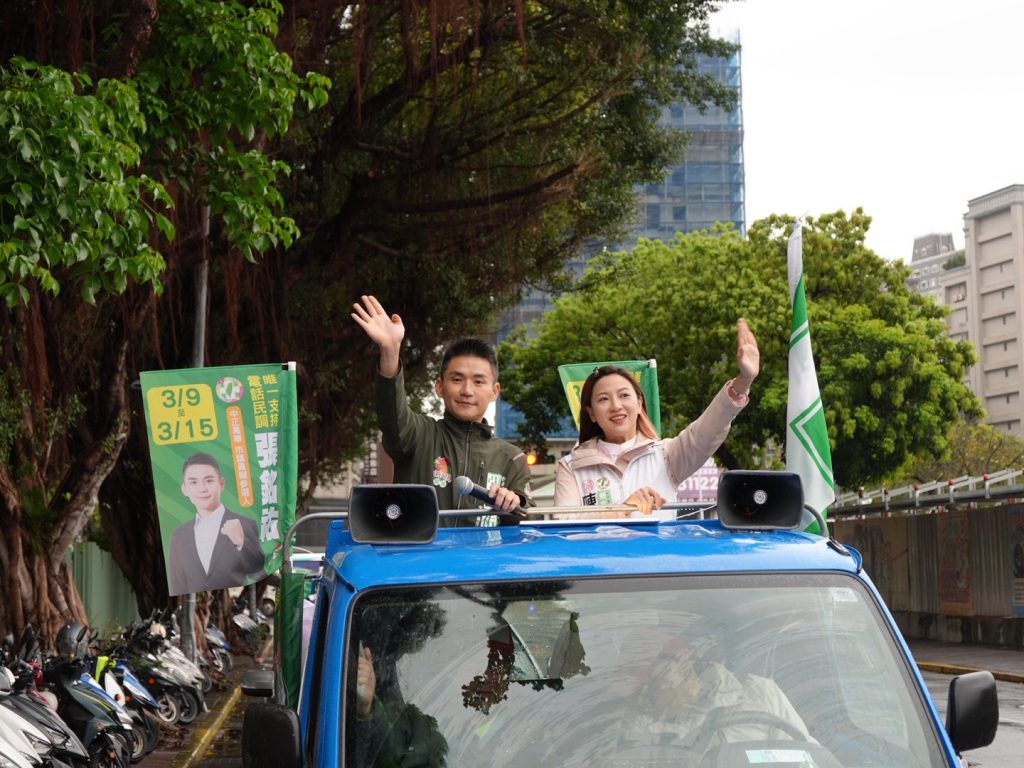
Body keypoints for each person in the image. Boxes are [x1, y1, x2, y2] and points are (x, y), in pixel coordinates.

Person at [352, 295, 532, 523]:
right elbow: (392, 417)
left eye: (478, 382)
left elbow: (525, 520)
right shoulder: (419, 435)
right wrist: (390, 352)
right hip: (420, 557)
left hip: (482, 559)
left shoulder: (512, 458)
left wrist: (513, 502)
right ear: (439, 387)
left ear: (495, 391)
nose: (467, 390)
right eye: (457, 379)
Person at [554, 319, 759, 516]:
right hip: (598, 553)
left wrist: (744, 381)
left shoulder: (666, 455)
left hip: (661, 553)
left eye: (624, 395)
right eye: (603, 399)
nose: (616, 406)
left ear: (639, 403)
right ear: (591, 413)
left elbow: (708, 430)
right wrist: (622, 509)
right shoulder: (572, 466)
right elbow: (565, 527)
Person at [167, 452, 265, 595]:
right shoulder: (179, 535)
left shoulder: (245, 524)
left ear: (222, 483)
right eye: (193, 482)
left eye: (209, 480)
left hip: (234, 609)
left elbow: (258, 570)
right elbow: (178, 583)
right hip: (192, 613)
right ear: (185, 489)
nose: (202, 489)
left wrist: (241, 542)